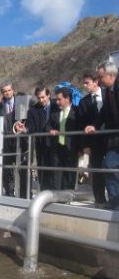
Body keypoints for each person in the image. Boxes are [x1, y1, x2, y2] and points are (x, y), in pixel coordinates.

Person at [85, 61, 119, 209]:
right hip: (115, 139)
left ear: (111, 75)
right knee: (108, 165)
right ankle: (114, 202)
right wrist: (95, 126)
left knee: (109, 165)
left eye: (101, 77)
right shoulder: (109, 91)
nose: (99, 81)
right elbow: (104, 112)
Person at [0, 81, 27, 198]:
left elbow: (26, 120)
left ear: (13, 90)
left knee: (22, 168)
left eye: (9, 90)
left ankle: (24, 194)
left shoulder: (21, 101)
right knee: (6, 169)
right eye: (5, 91)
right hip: (5, 142)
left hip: (20, 141)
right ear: (2, 93)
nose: (7, 93)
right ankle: (9, 192)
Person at [78, 71, 106, 206]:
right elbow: (82, 125)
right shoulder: (84, 102)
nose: (84, 86)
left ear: (96, 82)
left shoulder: (110, 94)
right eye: (83, 83)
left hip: (112, 140)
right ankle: (100, 200)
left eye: (87, 83)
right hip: (94, 142)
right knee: (97, 170)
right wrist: (85, 146)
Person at [25, 86, 57, 190]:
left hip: (56, 143)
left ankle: (56, 191)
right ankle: (44, 190)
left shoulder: (57, 105)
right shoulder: (33, 110)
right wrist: (25, 129)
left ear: (48, 95)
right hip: (41, 143)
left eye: (43, 97)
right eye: (39, 98)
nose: (41, 100)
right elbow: (31, 126)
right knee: (43, 167)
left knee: (55, 166)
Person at [46, 87, 79, 190]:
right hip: (57, 147)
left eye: (59, 99)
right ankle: (56, 196)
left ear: (67, 99)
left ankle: (67, 196)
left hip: (71, 148)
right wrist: (50, 130)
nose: (57, 102)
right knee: (56, 172)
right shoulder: (55, 113)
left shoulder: (76, 113)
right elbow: (47, 125)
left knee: (69, 174)